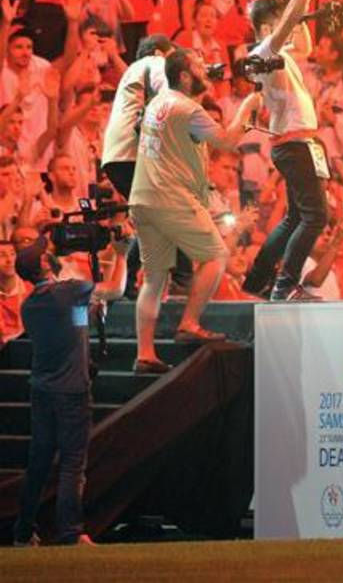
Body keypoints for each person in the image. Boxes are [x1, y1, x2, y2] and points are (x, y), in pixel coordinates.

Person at [128, 49, 262, 373]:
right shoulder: (189, 109)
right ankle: (189, 323)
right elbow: (228, 141)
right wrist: (248, 105)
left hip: (143, 198)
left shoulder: (158, 102)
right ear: (185, 76)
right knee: (216, 255)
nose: (206, 69)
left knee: (155, 277)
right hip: (172, 198)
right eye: (198, 67)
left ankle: (144, 353)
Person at [239, 0, 332, 300]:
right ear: (266, 28)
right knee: (315, 217)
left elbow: (304, 42)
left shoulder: (279, 53)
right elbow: (290, 21)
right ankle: (286, 283)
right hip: (295, 143)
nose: (290, 27)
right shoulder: (265, 49)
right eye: (281, 23)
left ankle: (259, 280)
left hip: (295, 142)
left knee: (295, 217)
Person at [10, 246, 102, 546]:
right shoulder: (68, 291)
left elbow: (74, 326)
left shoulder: (30, 304)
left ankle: (23, 532)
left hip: (43, 390)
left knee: (39, 463)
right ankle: (70, 533)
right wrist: (119, 255)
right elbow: (110, 288)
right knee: (73, 463)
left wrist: (86, 313)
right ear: (43, 264)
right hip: (71, 392)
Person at [98, 33, 175, 294]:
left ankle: (132, 282)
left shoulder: (131, 74)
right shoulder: (152, 63)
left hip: (119, 155)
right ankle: (170, 277)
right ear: (159, 52)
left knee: (151, 218)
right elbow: (167, 87)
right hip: (128, 155)